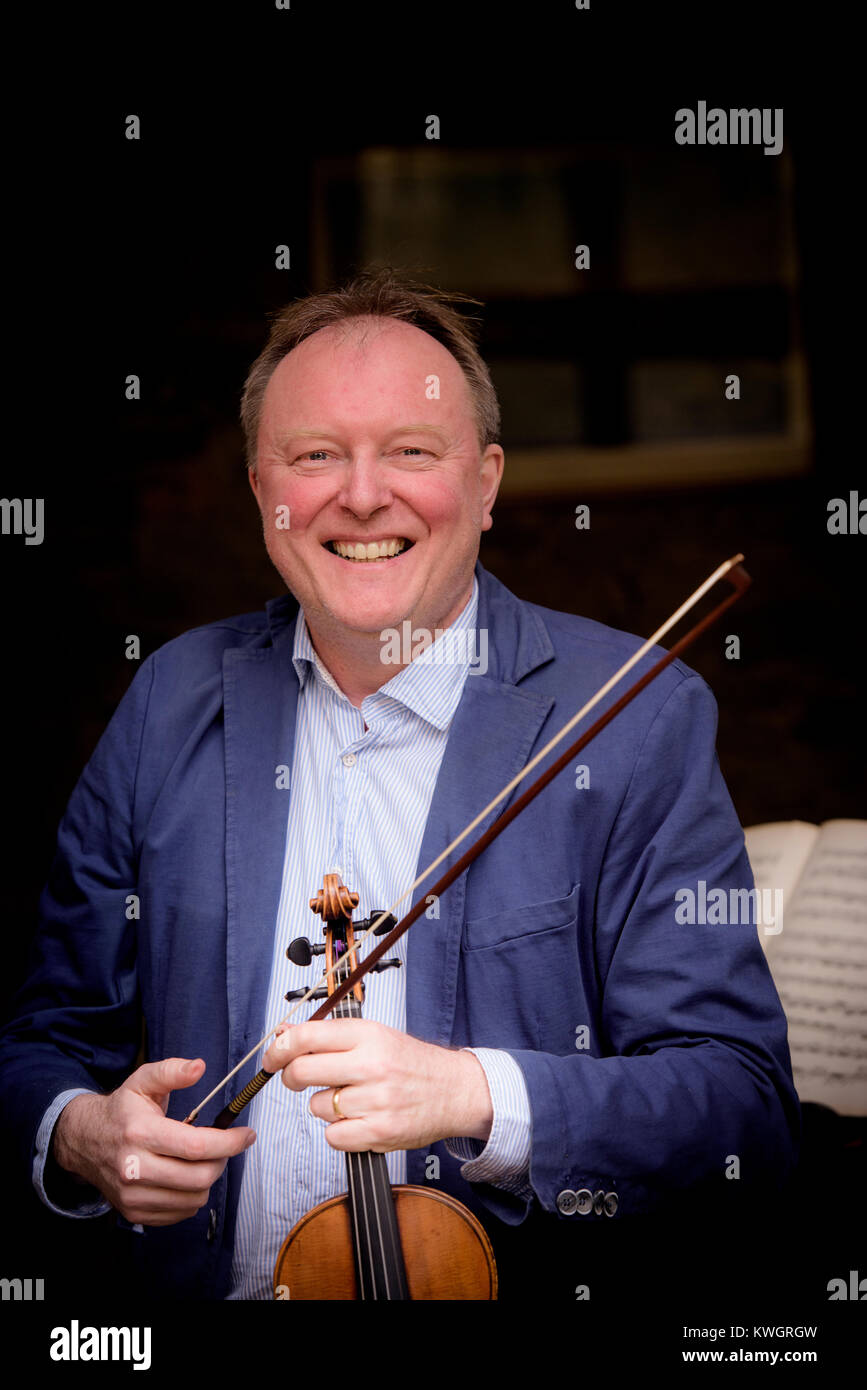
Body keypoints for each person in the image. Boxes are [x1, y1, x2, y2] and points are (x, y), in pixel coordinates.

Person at [0, 267, 800, 1301]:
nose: (363, 494)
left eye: (412, 452)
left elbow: (742, 1108)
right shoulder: (170, 700)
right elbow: (44, 1039)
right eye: (315, 456)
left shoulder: (636, 714)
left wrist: (472, 1090)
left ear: (487, 481)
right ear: (261, 488)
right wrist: (78, 1132)